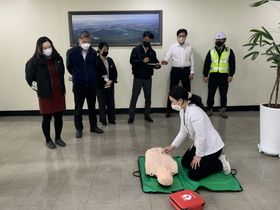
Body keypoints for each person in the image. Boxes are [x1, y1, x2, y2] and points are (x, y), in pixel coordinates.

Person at [162, 86, 231, 181]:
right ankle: (207, 161)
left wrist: (198, 156)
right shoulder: (183, 110)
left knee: (194, 175)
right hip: (200, 143)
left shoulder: (194, 113)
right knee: (185, 163)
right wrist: (172, 146)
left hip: (212, 147)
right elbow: (183, 131)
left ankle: (220, 164)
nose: (172, 104)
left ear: (181, 100)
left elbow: (202, 136)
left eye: (173, 101)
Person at [25, 37, 66, 149]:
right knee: (47, 118)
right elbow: (30, 79)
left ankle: (58, 137)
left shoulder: (58, 59)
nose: (48, 49)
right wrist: (39, 89)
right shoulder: (33, 62)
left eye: (49, 47)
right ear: (40, 49)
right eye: (45, 48)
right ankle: (48, 140)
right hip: (45, 94)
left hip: (58, 91)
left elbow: (61, 73)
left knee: (59, 117)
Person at [66, 30, 103, 138]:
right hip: (79, 84)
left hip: (91, 84)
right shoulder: (71, 52)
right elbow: (69, 66)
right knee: (78, 107)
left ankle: (93, 126)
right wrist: (77, 75)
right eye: (85, 41)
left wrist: (93, 78)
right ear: (79, 41)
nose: (87, 44)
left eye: (88, 42)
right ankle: (79, 129)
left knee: (92, 107)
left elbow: (95, 67)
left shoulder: (92, 53)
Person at [127, 31, 161, 124]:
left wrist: (157, 65)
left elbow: (155, 62)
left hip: (148, 78)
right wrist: (142, 61)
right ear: (142, 39)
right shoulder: (136, 50)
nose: (147, 41)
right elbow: (132, 61)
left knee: (148, 97)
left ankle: (147, 115)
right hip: (138, 77)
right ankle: (131, 116)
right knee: (134, 97)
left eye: (149, 40)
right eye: (146, 39)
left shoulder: (152, 51)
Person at [161, 29, 195, 118]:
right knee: (172, 90)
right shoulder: (172, 47)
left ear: (186, 37)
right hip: (175, 70)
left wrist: (192, 72)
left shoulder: (189, 47)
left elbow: (192, 60)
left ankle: (188, 109)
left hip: (186, 70)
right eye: (180, 36)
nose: (181, 38)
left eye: (183, 36)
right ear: (177, 36)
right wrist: (165, 61)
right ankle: (169, 109)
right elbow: (167, 56)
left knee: (187, 90)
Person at [203, 31, 236, 118]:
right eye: (217, 39)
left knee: (223, 94)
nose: (218, 41)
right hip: (213, 76)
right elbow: (207, 64)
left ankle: (223, 110)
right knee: (211, 94)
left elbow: (232, 64)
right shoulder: (211, 51)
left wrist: (231, 75)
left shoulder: (229, 51)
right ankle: (209, 109)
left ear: (224, 40)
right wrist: (205, 75)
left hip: (224, 77)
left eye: (220, 39)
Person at [96, 42, 118, 126]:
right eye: (104, 49)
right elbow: (96, 73)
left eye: (107, 49)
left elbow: (114, 72)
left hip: (110, 84)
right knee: (102, 103)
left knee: (111, 102)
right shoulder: (96, 60)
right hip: (101, 85)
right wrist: (104, 82)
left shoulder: (110, 60)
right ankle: (103, 120)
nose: (106, 51)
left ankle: (111, 119)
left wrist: (111, 81)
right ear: (99, 50)